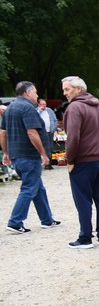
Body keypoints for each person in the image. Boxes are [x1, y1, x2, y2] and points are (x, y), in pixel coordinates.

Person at [62, 75, 99, 249]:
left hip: (83, 160)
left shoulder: (75, 107)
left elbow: (73, 136)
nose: (65, 93)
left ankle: (85, 237)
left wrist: (70, 159)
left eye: (67, 89)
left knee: (83, 200)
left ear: (78, 89)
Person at [2, 81, 60, 233]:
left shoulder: (10, 108)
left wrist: (6, 152)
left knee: (37, 187)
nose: (37, 95)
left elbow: (3, 132)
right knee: (28, 188)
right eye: (35, 92)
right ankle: (15, 221)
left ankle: (47, 219)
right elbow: (32, 132)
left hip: (16, 154)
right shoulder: (28, 108)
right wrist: (43, 153)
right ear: (27, 92)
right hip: (28, 154)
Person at [37, 98, 58, 169]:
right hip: (41, 132)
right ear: (38, 104)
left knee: (50, 148)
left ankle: (49, 164)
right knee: (42, 148)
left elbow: (55, 119)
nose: (44, 106)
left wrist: (54, 128)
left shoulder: (49, 110)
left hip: (50, 132)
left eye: (45, 104)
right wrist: (39, 111)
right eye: (42, 104)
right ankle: (42, 163)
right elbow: (34, 119)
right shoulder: (36, 111)